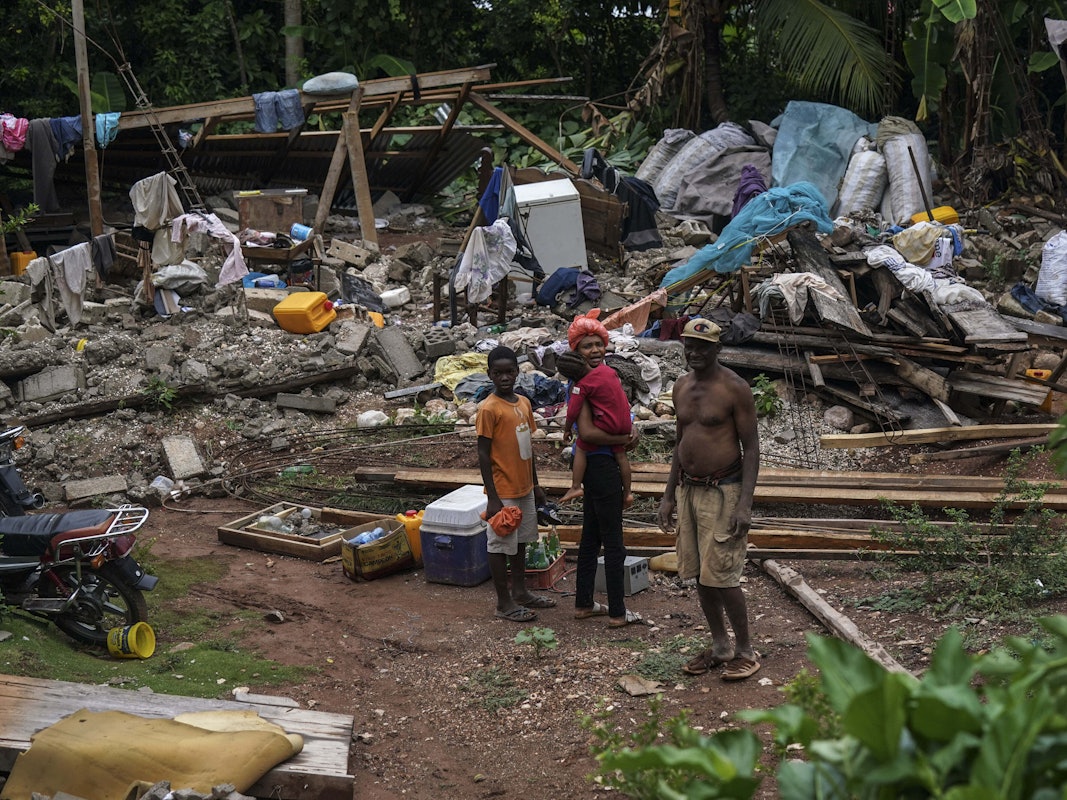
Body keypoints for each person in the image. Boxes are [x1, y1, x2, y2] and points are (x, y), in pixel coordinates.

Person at [657, 318, 761, 680]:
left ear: (718, 349)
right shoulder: (681, 386)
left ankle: (745, 649)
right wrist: (668, 494)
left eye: (702, 347)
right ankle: (720, 645)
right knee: (700, 573)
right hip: (689, 489)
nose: (694, 353)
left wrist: (745, 503)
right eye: (689, 346)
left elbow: (752, 449)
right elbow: (680, 441)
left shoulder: (735, 389)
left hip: (724, 491)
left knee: (724, 575)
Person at [567, 310, 642, 628]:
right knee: (613, 541)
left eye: (599, 344)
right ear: (576, 351)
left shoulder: (601, 378)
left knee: (591, 536)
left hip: (600, 462)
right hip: (599, 464)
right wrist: (623, 437)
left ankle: (584, 603)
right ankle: (617, 612)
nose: (595, 350)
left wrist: (630, 433)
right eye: (587, 346)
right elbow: (586, 434)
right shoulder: (582, 384)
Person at [476, 345, 557, 622]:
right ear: (490, 375)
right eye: (497, 373)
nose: (504, 378)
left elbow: (527, 448)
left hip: (524, 488)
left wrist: (536, 485)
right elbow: (484, 455)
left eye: (509, 372)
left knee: (521, 541)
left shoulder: (523, 403)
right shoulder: (488, 409)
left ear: (517, 372)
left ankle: (521, 592)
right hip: (503, 491)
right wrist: (493, 496)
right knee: (500, 544)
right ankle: (503, 602)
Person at [554, 349, 633, 509]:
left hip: (608, 424)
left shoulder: (581, 385)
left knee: (582, 446)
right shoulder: (608, 371)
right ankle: (628, 492)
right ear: (583, 360)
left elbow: (573, 410)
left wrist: (567, 428)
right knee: (621, 455)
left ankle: (575, 486)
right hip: (625, 423)